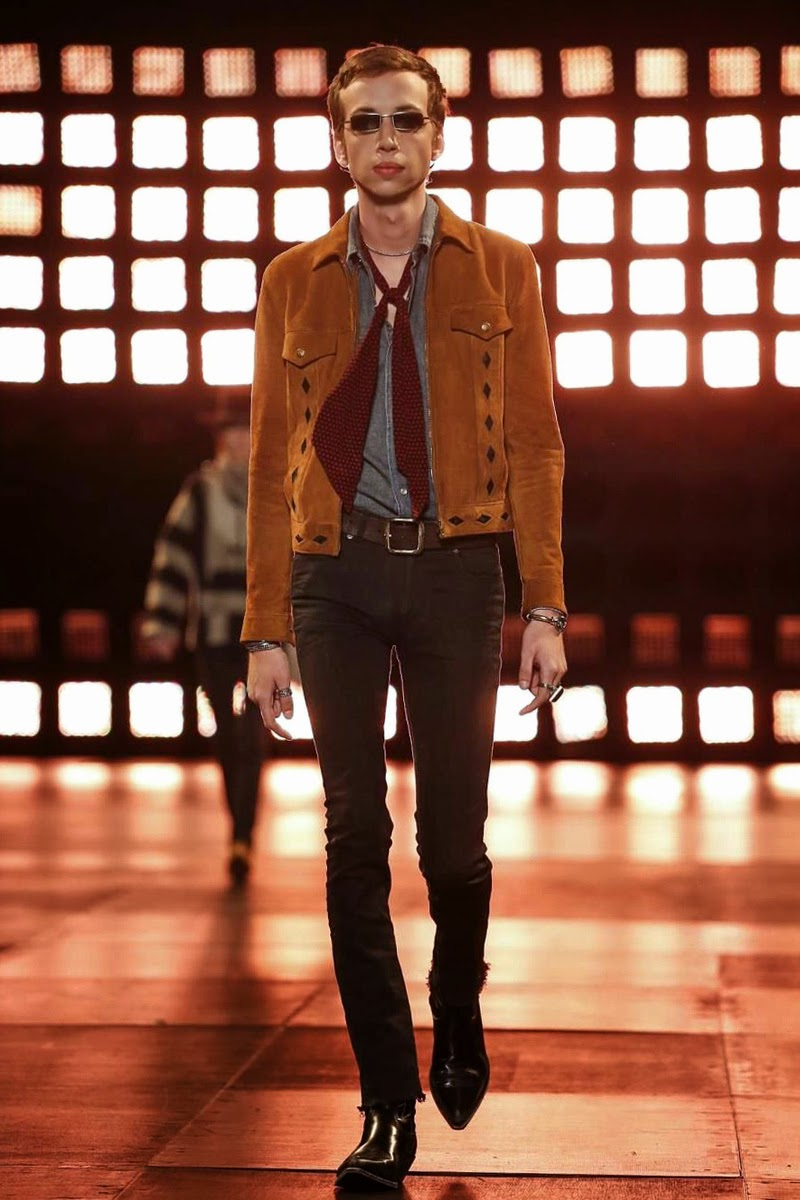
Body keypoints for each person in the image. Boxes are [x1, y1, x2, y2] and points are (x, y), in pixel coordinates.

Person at [243, 44, 567, 1190]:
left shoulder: (502, 269)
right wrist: (264, 628)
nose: (386, 141)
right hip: (330, 575)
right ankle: (385, 1104)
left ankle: (456, 1003)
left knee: (452, 847)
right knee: (352, 839)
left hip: (454, 570)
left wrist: (543, 604)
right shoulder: (291, 279)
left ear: (439, 135)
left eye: (406, 121)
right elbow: (272, 459)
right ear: (336, 143)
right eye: (365, 123)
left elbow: (535, 443)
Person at [141, 387, 267, 887]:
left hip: (261, 634)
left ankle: (242, 836)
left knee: (251, 736)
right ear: (221, 439)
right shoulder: (200, 491)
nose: (239, 440)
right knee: (228, 737)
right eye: (231, 432)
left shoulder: (277, 487)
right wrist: (162, 624)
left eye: (245, 431)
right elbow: (172, 557)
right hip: (214, 632)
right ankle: (239, 829)